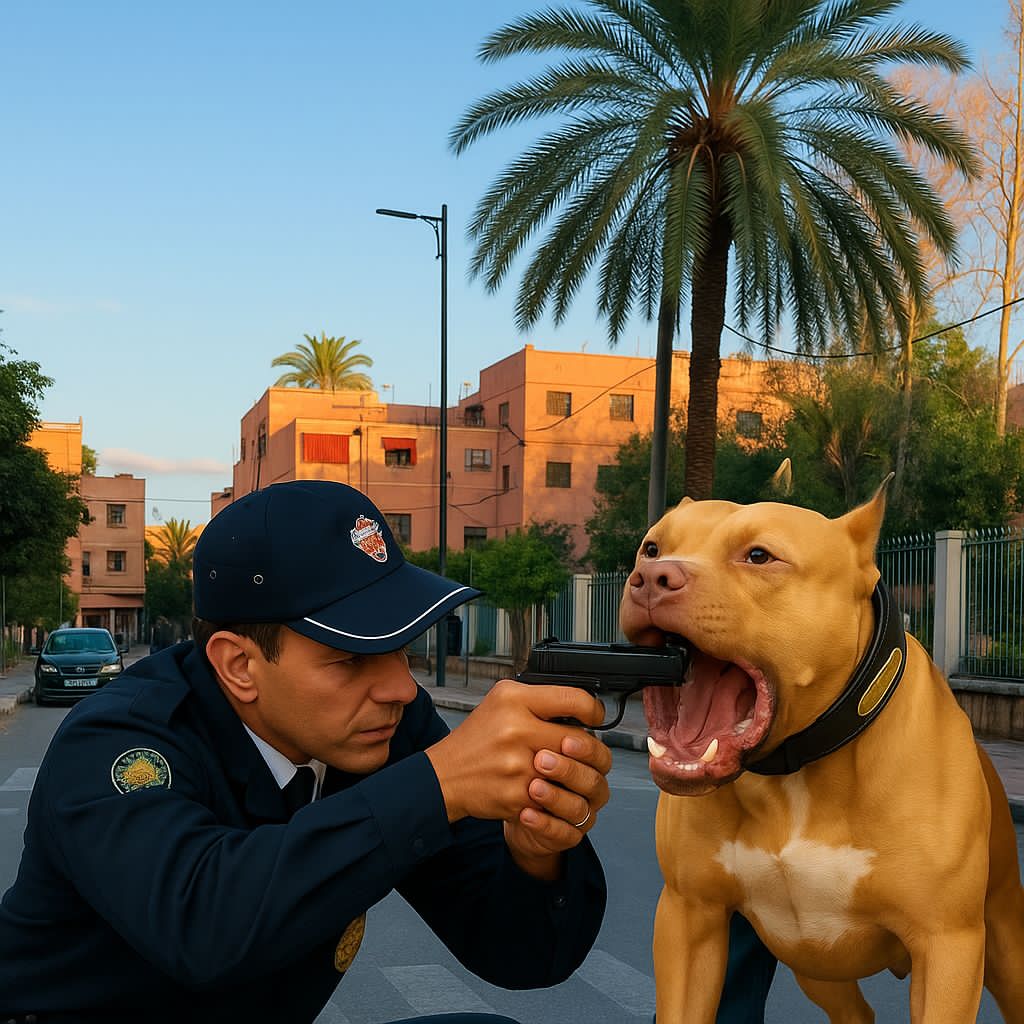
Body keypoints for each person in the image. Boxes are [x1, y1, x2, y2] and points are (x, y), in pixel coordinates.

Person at [0, 480, 611, 1023]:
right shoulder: (117, 739)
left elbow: (518, 955)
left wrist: (536, 852)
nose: (401, 688)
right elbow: (204, 925)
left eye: (403, 647)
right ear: (239, 665)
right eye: (351, 659)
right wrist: (437, 784)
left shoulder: (384, 726)